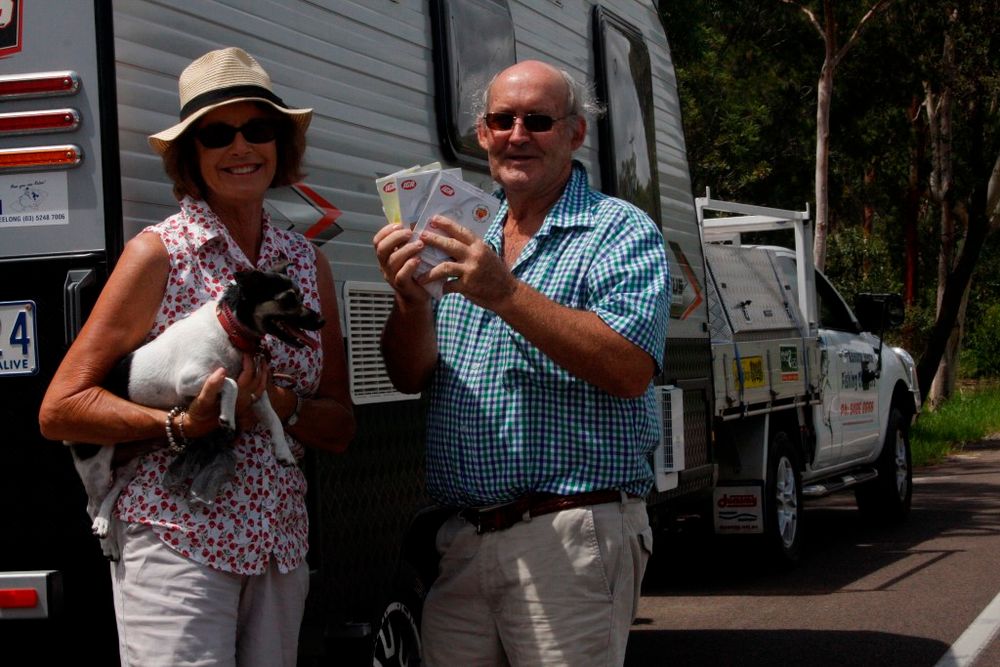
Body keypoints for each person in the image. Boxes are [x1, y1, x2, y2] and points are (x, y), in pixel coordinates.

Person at [39, 47, 355, 666]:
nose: (241, 148)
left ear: (279, 144)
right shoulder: (158, 254)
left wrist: (282, 404)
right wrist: (180, 425)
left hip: (277, 547)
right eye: (217, 134)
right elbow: (61, 409)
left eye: (258, 129)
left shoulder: (306, 263)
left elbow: (341, 427)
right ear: (192, 155)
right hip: (176, 543)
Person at [373, 60, 670, 666]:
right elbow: (410, 376)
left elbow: (630, 367)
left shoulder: (618, 230)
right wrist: (408, 304)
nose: (518, 135)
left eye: (538, 120)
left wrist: (506, 294)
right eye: (501, 121)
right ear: (481, 135)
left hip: (568, 532)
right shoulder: (458, 231)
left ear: (574, 134)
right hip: (463, 542)